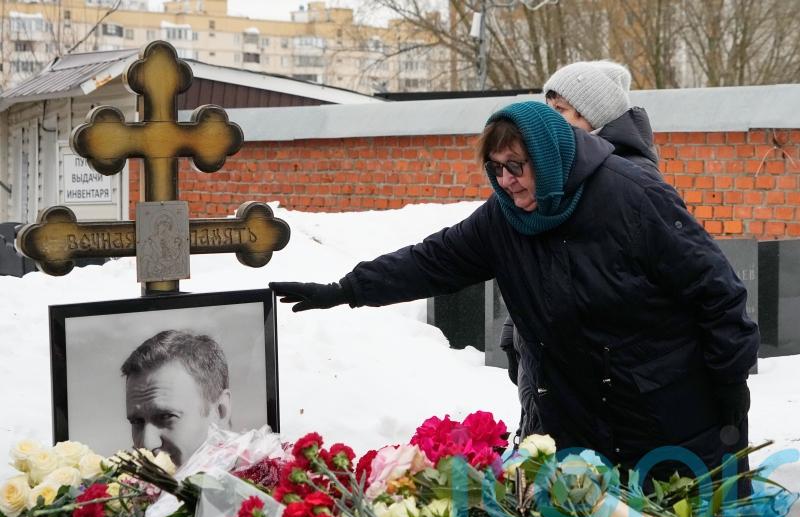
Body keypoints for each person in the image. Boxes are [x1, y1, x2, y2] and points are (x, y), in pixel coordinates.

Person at [270, 100, 758, 485]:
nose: (506, 180)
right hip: (579, 421)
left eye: (516, 166)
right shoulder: (505, 217)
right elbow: (430, 261)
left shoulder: (630, 194)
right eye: (496, 168)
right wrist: (344, 289)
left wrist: (730, 381)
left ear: (547, 158)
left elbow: (715, 289)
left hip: (669, 418)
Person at [501, 60, 661, 441]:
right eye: (548, 108)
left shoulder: (629, 180)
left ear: (595, 118)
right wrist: (515, 330)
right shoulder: (557, 170)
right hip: (546, 361)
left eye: (561, 111)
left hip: (598, 379)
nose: (548, 122)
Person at [122, 330, 232, 467]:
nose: (147, 445)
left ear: (220, 411)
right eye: (137, 422)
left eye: (166, 417)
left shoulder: (263, 483)